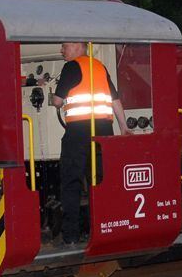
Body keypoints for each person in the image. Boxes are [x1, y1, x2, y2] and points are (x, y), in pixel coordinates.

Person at [51, 42, 129, 246]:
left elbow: (58, 102)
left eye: (65, 47)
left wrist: (50, 93)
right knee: (100, 181)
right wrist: (124, 126)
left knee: (71, 182)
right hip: (103, 133)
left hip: (78, 133)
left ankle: (71, 235)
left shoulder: (71, 67)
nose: (62, 50)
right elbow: (115, 99)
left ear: (78, 47)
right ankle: (106, 229)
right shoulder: (99, 66)